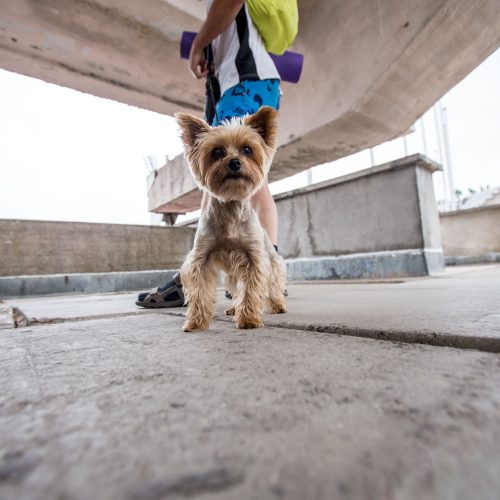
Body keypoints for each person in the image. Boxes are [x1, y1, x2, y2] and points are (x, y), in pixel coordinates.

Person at [137, 0, 282, 308]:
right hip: (238, 81)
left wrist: (198, 44)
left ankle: (198, 275)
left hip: (245, 78)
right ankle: (265, 275)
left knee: (227, 170)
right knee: (242, 174)